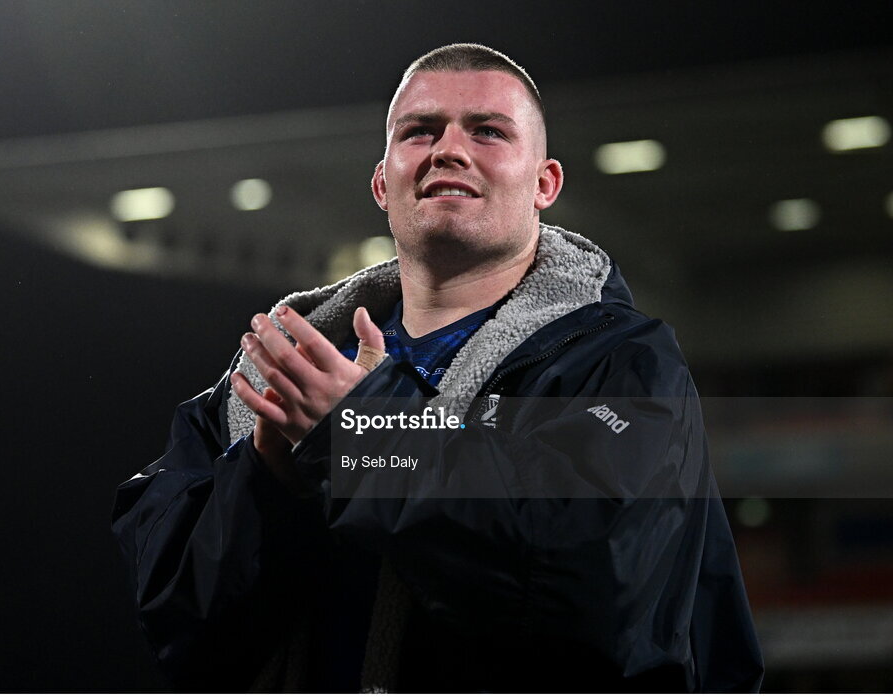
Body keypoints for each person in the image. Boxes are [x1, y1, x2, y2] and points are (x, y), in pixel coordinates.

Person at [112, 43, 764, 692]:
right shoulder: (265, 386)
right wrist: (269, 474)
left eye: (487, 131)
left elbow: (597, 581)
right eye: (420, 131)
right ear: (382, 182)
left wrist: (364, 437)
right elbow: (182, 632)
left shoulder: (624, 361)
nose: (448, 149)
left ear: (545, 183)